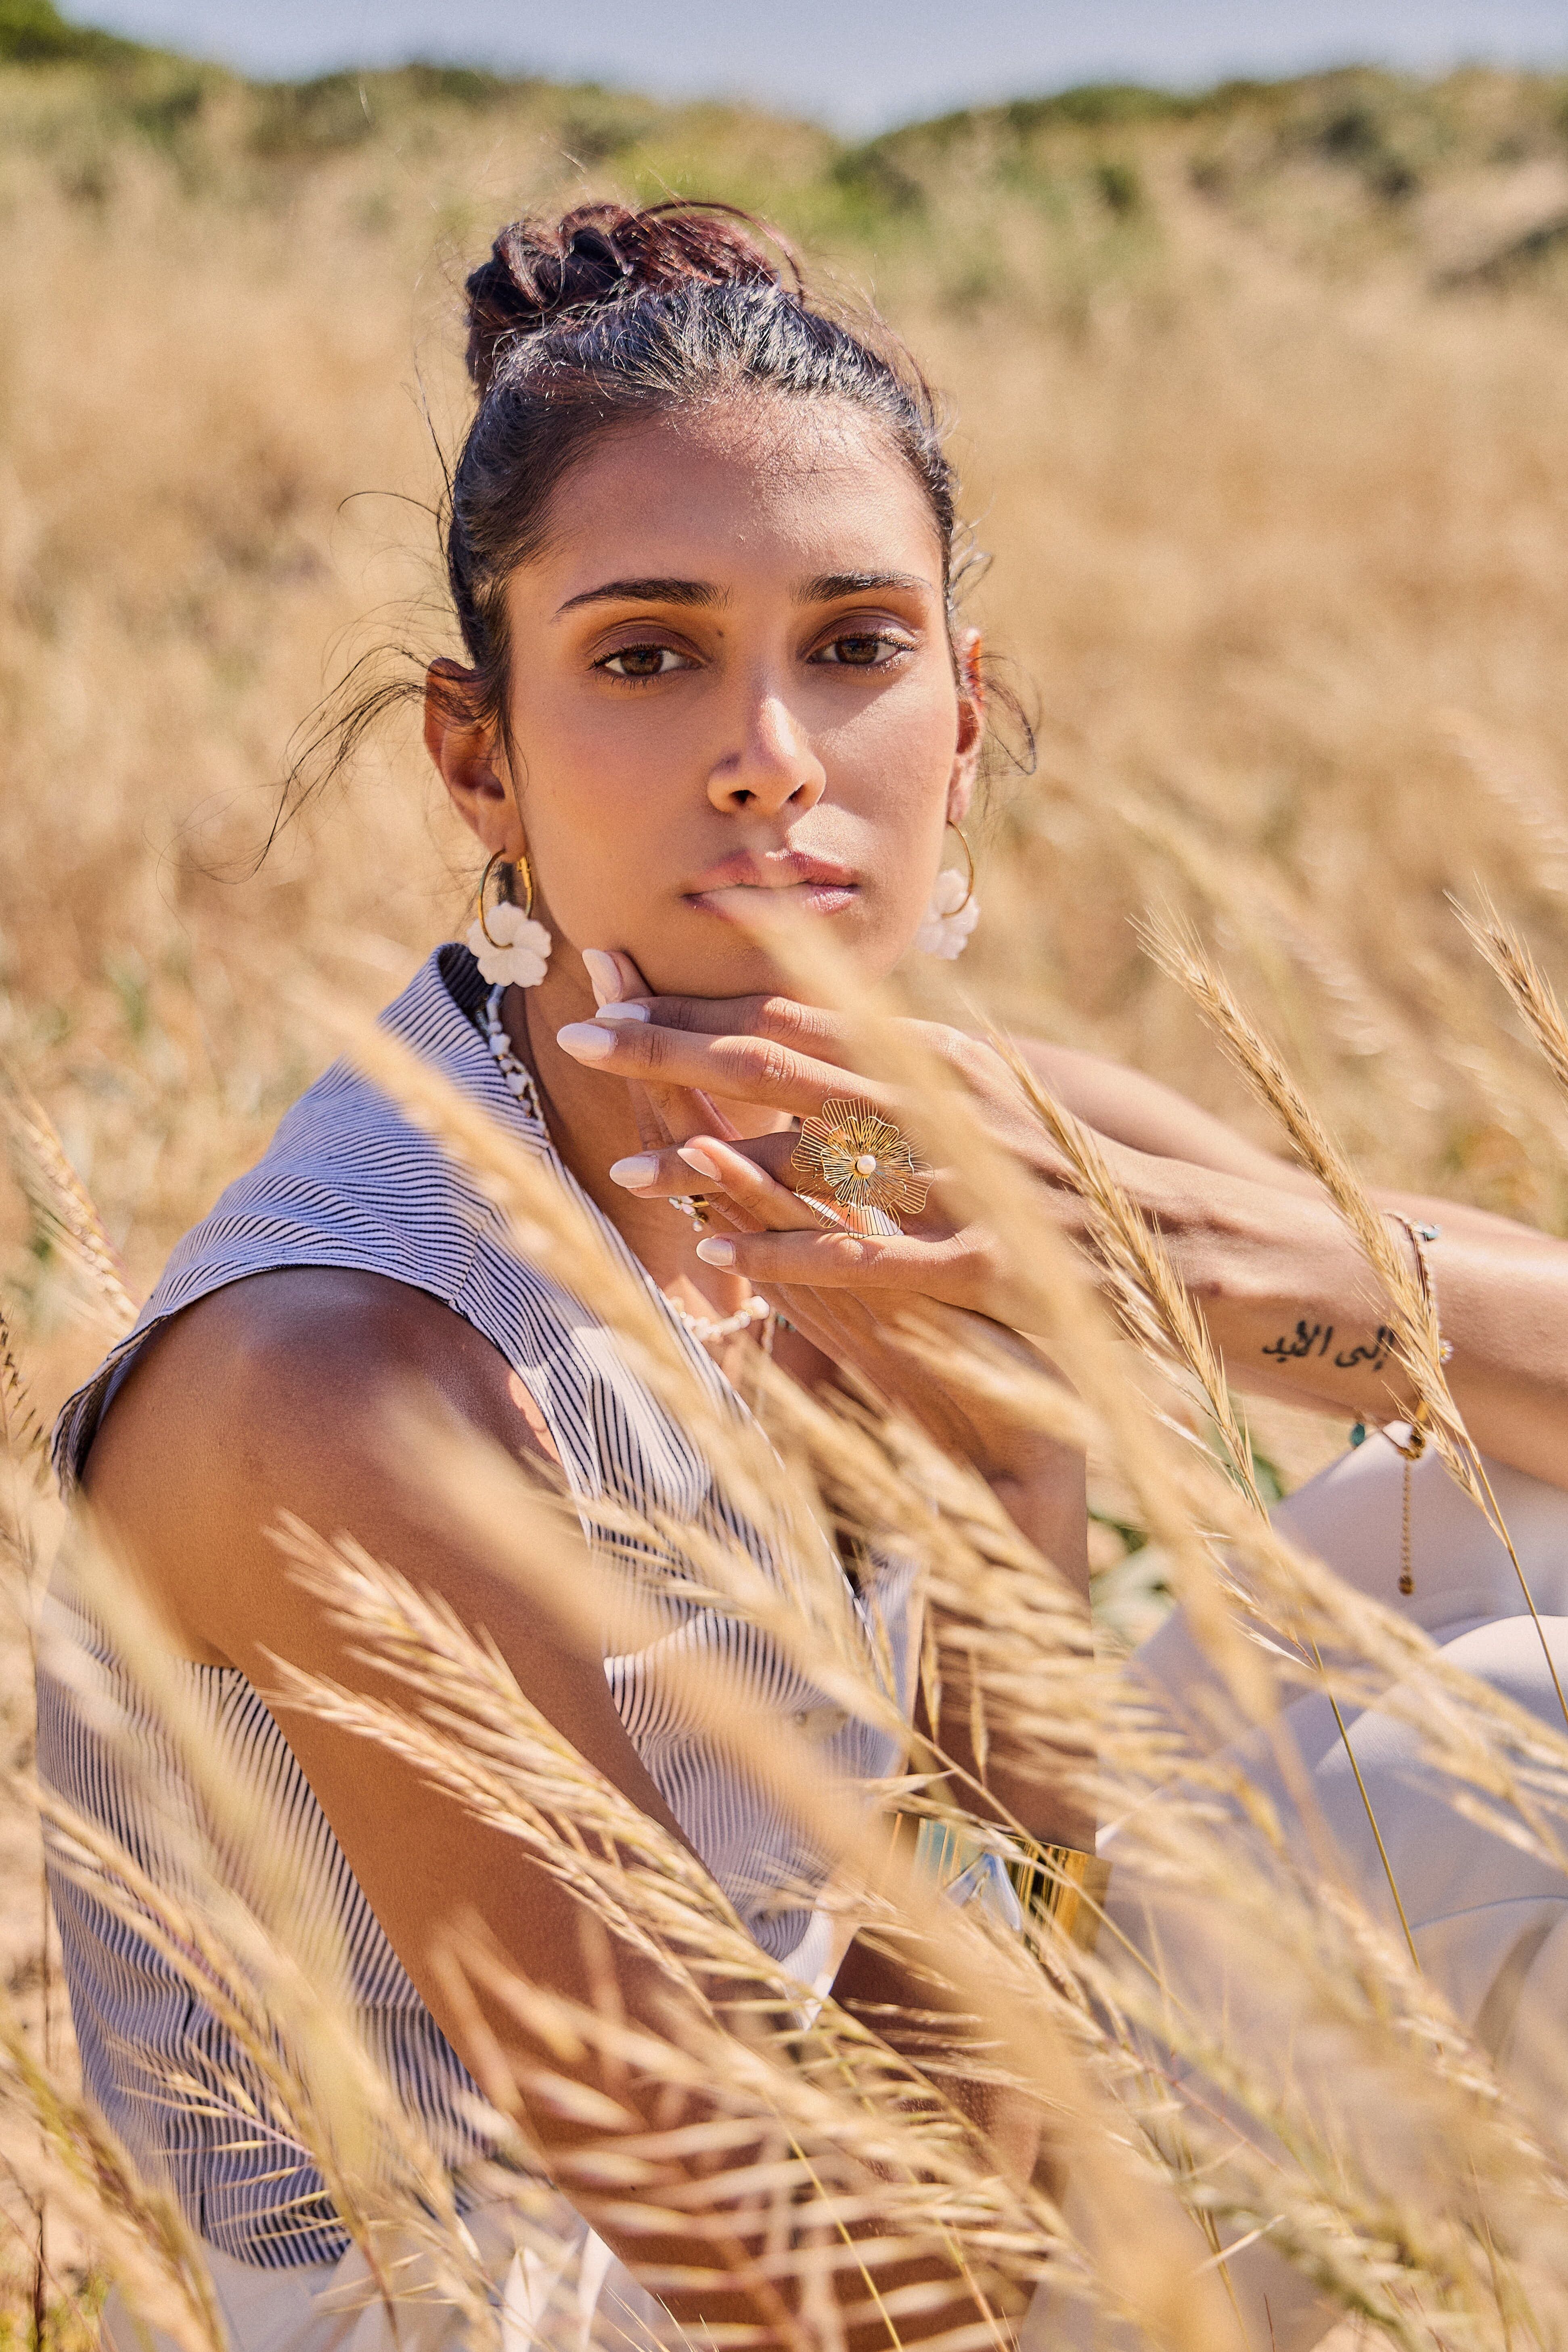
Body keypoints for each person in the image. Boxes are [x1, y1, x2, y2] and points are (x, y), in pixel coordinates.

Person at [36, 201, 1568, 2352]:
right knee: (1508, 1729)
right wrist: (1011, 1552)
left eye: (854, 644)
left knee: (1518, 1526)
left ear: (962, 727)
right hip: (566, 2298)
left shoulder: (928, 1125)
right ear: (479, 756)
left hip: (917, 2095)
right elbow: (835, 2300)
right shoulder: (350, 1378)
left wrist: (1221, 1266)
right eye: (648, 654)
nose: (771, 747)